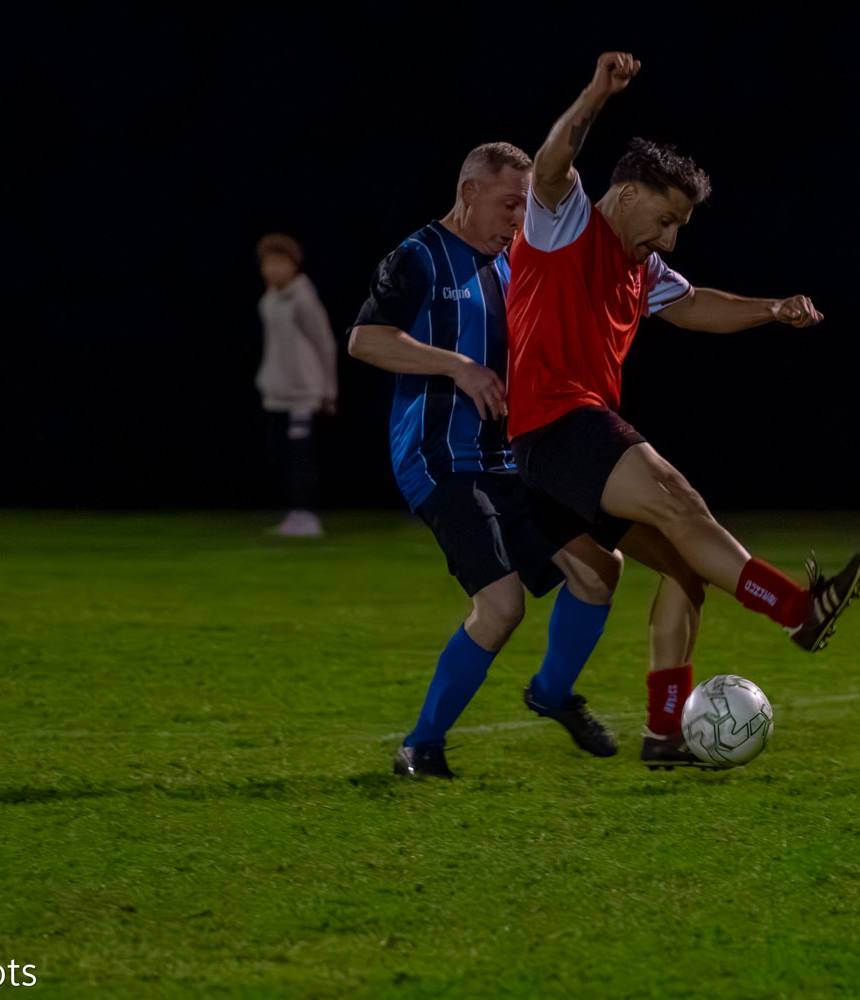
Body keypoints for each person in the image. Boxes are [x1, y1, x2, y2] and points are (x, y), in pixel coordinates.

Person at [505, 51, 860, 766]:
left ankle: (664, 735)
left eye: (679, 228)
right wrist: (596, 93)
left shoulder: (642, 269)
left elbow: (697, 304)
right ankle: (797, 611)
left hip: (566, 446)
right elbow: (550, 164)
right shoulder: (563, 223)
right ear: (628, 192)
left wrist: (772, 309)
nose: (669, 239)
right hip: (556, 426)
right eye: (665, 219)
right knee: (681, 500)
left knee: (686, 573)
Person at [348, 142, 628, 779]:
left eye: (525, 207)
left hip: (508, 459)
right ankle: (421, 747)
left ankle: (552, 694)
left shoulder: (514, 261)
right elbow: (365, 339)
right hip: (441, 458)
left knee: (600, 570)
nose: (519, 219)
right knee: (502, 606)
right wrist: (458, 366)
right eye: (509, 204)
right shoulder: (419, 256)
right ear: (469, 192)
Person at [255, 233, 337, 538]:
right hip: (275, 392)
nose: (274, 268)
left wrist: (328, 389)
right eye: (268, 262)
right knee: (279, 455)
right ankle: (295, 513)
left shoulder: (303, 298)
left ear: (294, 264)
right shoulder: (269, 298)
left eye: (280, 261)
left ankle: (307, 516)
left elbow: (324, 343)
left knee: (301, 455)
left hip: (303, 392)